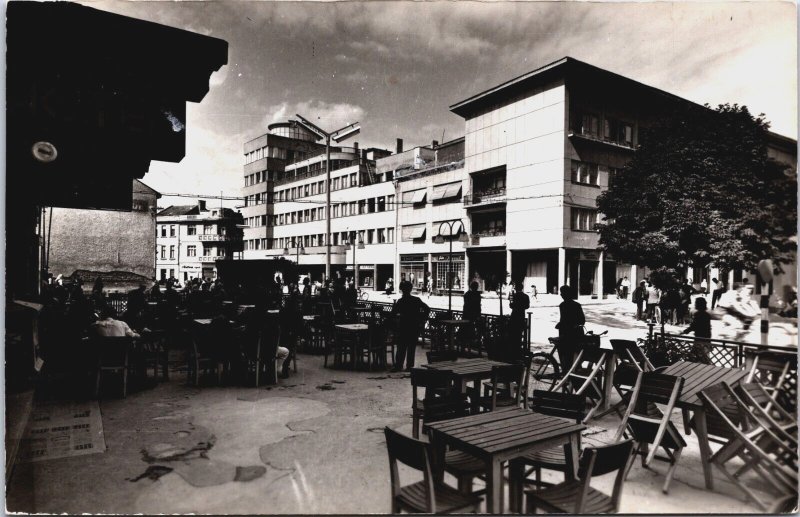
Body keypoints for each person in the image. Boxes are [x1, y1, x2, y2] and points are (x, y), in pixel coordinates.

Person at [390, 280, 429, 371]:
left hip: (403, 326)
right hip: (414, 326)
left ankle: (399, 365)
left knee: (401, 347)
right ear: (410, 289)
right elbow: (427, 309)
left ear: (402, 290)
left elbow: (393, 314)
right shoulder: (416, 300)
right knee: (411, 347)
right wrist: (421, 319)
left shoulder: (401, 301)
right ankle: (409, 366)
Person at [555, 285, 585, 373]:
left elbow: (564, 320)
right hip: (575, 333)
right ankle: (572, 370)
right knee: (573, 355)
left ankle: (566, 371)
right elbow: (582, 320)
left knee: (564, 353)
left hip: (567, 334)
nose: (561, 295)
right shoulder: (576, 305)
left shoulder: (563, 305)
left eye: (562, 293)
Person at [506, 280, 530, 362]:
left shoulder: (515, 296)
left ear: (516, 288)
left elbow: (512, 306)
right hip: (521, 316)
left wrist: (511, 304)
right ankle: (518, 352)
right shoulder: (526, 296)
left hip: (514, 316)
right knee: (519, 335)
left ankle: (512, 353)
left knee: (512, 336)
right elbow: (527, 306)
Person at [682, 297, 712, 363]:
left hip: (699, 339)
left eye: (696, 303)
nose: (695, 305)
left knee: (696, 357)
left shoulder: (698, 314)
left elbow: (694, 326)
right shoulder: (707, 315)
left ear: (698, 305)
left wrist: (686, 331)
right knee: (704, 357)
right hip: (706, 339)